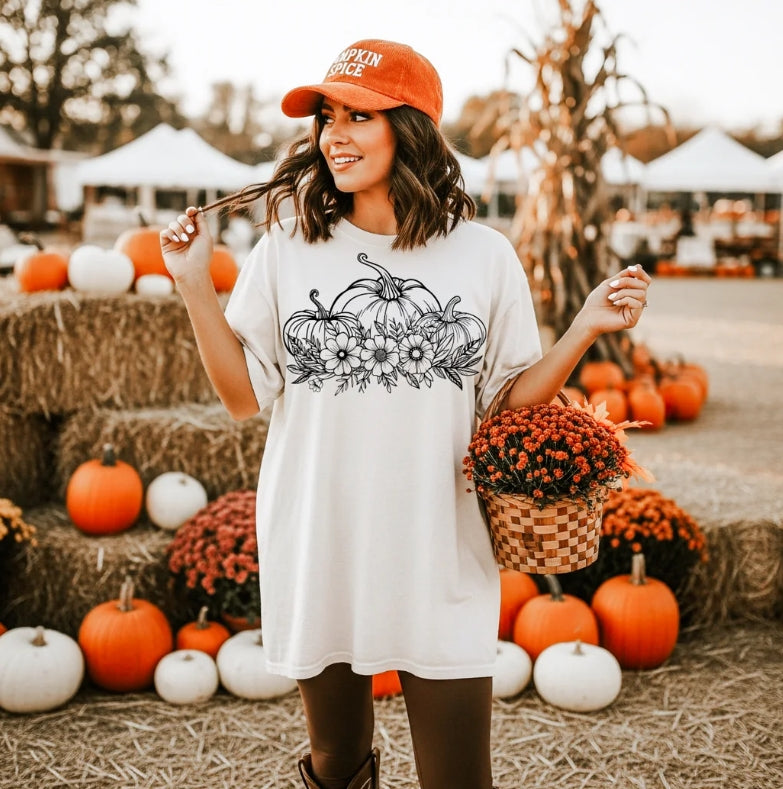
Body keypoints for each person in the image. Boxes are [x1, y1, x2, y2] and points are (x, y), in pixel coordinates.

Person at [160, 38, 650, 789]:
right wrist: (194, 284)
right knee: (336, 762)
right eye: (328, 116)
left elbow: (506, 405)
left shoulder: (483, 256)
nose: (335, 134)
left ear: (411, 129)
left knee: (458, 777)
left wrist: (583, 328)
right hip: (320, 538)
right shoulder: (287, 248)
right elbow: (242, 396)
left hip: (439, 545)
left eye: (360, 115)